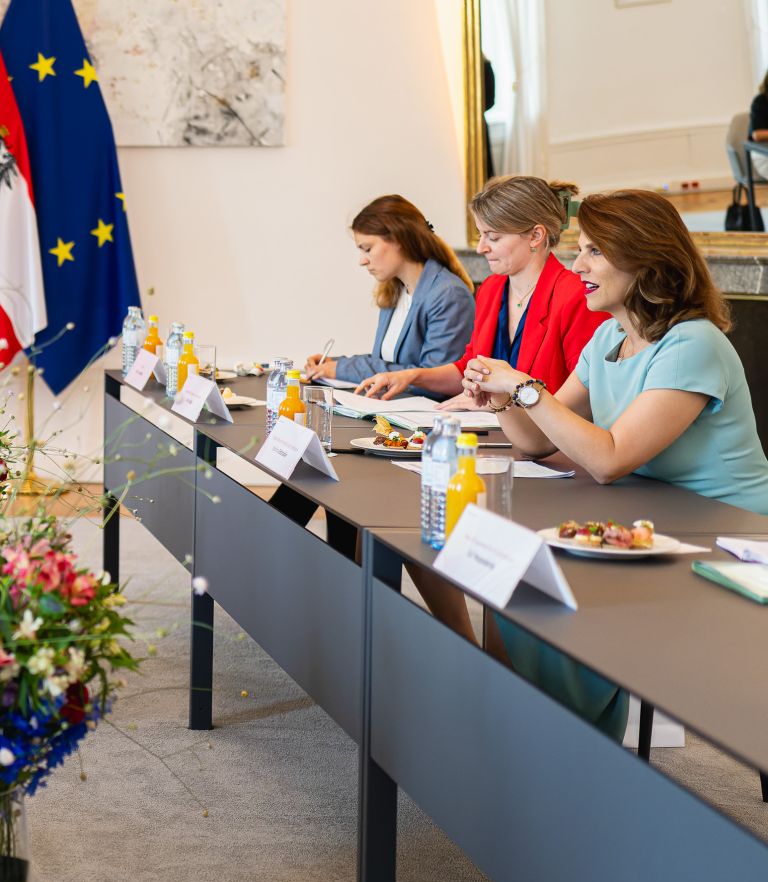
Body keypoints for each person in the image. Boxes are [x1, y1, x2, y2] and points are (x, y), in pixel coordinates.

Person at [461, 189, 768, 739]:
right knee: (520, 571)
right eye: (580, 250)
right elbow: (534, 441)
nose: (577, 265)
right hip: (654, 518)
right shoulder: (609, 337)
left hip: (727, 532)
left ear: (644, 260)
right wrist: (501, 395)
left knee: (558, 591)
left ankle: (565, 750)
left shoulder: (691, 344)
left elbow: (608, 459)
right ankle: (528, 734)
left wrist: (525, 388)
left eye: (594, 252)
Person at [355, 176, 609, 403]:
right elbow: (467, 367)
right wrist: (411, 376)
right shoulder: (492, 288)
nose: (481, 248)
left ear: (535, 236)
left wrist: (495, 408)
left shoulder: (577, 296)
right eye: (480, 236)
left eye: (493, 237)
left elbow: (584, 399)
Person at [303, 195, 475, 391]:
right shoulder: (395, 290)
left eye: (367, 249)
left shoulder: (449, 295)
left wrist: (344, 368)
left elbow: (432, 379)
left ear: (398, 238)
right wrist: (333, 364)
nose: (362, 261)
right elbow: (385, 363)